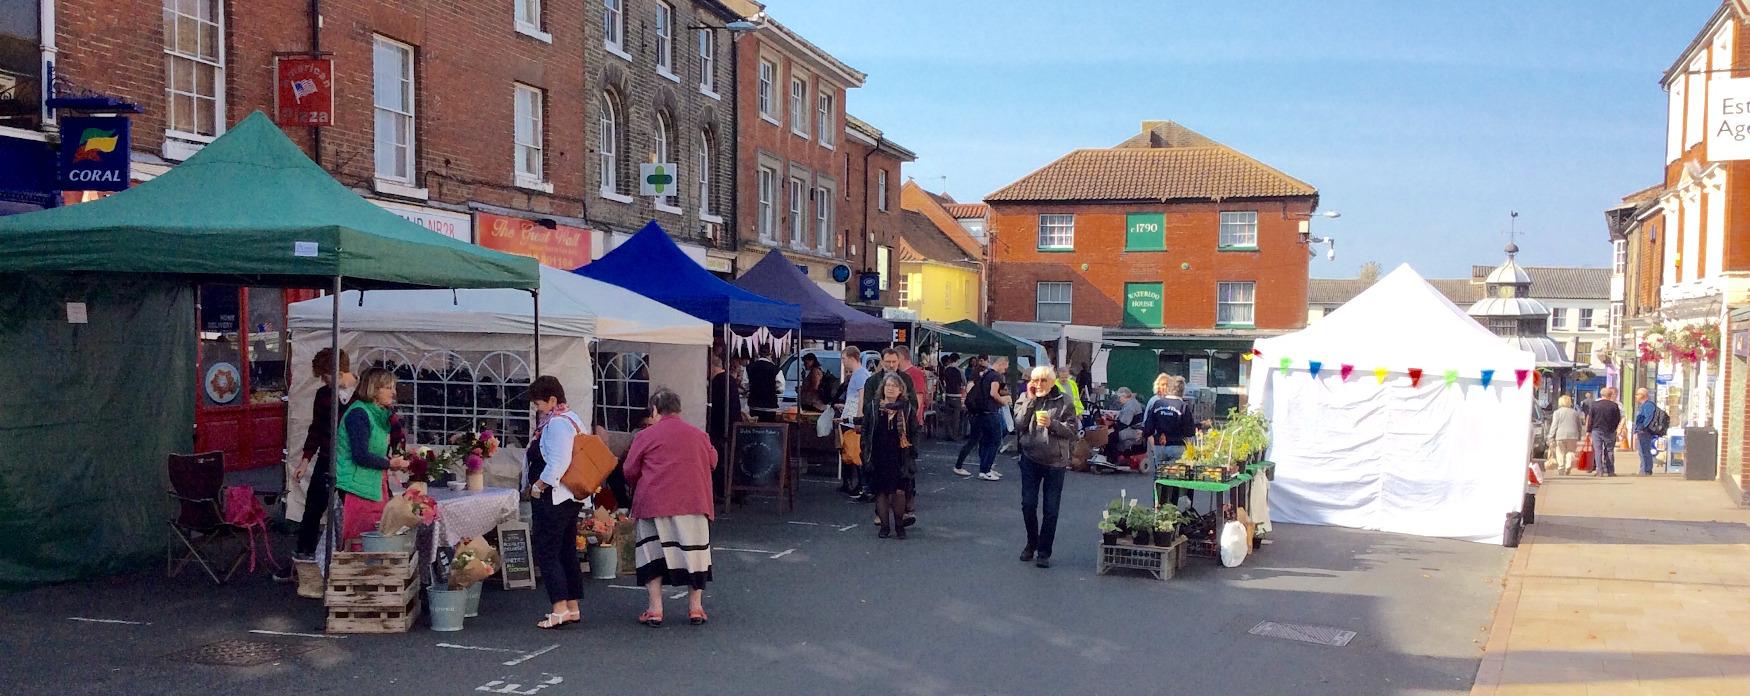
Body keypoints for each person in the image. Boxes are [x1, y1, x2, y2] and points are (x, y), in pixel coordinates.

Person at [624, 389, 719, 627]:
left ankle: (655, 609)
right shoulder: (699, 435)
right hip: (694, 502)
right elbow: (713, 461)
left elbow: (629, 470)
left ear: (656, 410)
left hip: (654, 502)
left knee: (652, 555)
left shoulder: (646, 436)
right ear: (678, 409)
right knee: (694, 555)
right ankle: (695, 608)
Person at [275, 348, 356, 591]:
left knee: (350, 512)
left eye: (325, 376)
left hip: (352, 463)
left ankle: (347, 561)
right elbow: (316, 430)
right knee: (312, 510)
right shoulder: (323, 395)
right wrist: (305, 460)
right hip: (326, 459)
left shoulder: (361, 395)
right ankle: (304, 560)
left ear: (338, 371)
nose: (323, 381)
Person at [524, 376, 584, 630]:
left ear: (551, 400)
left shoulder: (557, 424)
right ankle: (571, 606)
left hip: (554, 496)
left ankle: (559, 607)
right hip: (569, 496)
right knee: (566, 550)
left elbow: (558, 461)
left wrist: (538, 485)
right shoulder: (572, 418)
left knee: (548, 550)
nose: (537, 408)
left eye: (538, 403)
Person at [334, 367, 409, 548]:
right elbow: (361, 455)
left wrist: (399, 453)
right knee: (362, 540)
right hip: (356, 486)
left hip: (374, 484)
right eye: (388, 387)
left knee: (376, 539)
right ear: (373, 389)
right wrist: (390, 463)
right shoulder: (358, 414)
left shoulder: (381, 415)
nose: (394, 392)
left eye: (394, 387)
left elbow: (393, 440)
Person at [1013, 365, 1078, 568]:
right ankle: (1031, 543)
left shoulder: (1064, 401)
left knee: (1051, 510)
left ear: (1052, 382)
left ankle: (1044, 551)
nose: (1039, 384)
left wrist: (1053, 424)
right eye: (1035, 380)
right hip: (1030, 458)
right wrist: (1031, 401)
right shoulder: (1025, 397)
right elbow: (1019, 424)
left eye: (1043, 381)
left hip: (1055, 461)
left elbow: (1073, 430)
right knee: (1028, 504)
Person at [864, 374, 918, 539]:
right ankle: (885, 527)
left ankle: (899, 526)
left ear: (901, 389)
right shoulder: (873, 407)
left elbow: (914, 433)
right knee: (881, 492)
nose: (890, 388)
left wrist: (912, 454)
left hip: (900, 455)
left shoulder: (907, 409)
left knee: (899, 492)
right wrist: (865, 452)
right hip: (878, 455)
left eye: (894, 386)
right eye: (887, 385)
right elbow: (866, 431)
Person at [961, 355, 1012, 480]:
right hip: (991, 411)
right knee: (995, 440)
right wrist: (1003, 400)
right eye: (1005, 367)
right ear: (1000, 363)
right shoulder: (996, 376)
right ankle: (986, 469)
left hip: (980, 411)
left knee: (985, 440)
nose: (1005, 370)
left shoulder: (985, 374)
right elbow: (993, 393)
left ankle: (984, 469)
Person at [1141, 374, 1196, 485]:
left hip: (1159, 446)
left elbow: (1148, 429)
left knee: (1160, 477)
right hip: (1177, 445)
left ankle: (1158, 500)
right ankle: (1172, 501)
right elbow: (1189, 432)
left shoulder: (1157, 404)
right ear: (1182, 391)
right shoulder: (1183, 406)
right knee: (1175, 478)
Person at [706, 354, 742, 501]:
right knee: (729, 460)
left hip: (721, 428)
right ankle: (733, 492)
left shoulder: (719, 382)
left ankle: (722, 491)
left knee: (721, 461)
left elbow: (716, 408)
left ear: (711, 367)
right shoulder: (729, 381)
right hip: (731, 425)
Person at [838, 345, 872, 497]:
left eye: (844, 358)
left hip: (853, 421)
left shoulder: (860, 375)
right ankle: (853, 484)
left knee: (854, 453)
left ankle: (860, 485)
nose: (843, 362)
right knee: (849, 451)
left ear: (851, 358)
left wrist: (858, 418)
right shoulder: (858, 374)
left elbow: (862, 397)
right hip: (849, 417)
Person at [953, 356, 988, 472]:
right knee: (976, 440)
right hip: (978, 414)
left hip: (974, 413)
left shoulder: (972, 383)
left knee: (977, 440)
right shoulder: (979, 386)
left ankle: (985, 465)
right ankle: (959, 465)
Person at [1584, 387, 1625, 477]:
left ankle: (1599, 471)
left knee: (1598, 451)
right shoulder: (1614, 406)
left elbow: (1590, 419)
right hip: (1610, 431)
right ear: (1610, 395)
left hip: (1596, 430)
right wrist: (1614, 428)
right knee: (1609, 450)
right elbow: (1617, 419)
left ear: (1601, 394)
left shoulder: (1594, 405)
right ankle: (1610, 471)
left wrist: (1588, 431)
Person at [1545, 395, 1584, 476]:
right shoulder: (1575, 413)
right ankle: (1568, 464)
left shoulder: (1557, 412)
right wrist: (1579, 435)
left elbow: (1554, 425)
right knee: (1571, 451)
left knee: (1560, 452)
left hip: (1560, 436)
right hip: (1573, 436)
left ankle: (1561, 467)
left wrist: (1551, 436)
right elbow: (1579, 426)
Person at [1105, 387, 1145, 464]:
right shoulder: (1131, 403)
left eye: (1119, 397)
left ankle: (1114, 458)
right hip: (1133, 428)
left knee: (1112, 436)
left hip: (1133, 430)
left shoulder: (1130, 407)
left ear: (1124, 396)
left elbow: (1124, 423)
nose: (1119, 399)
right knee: (1112, 434)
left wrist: (1112, 429)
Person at [1630, 387, 1662, 476]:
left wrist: (1643, 427)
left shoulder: (1648, 405)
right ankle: (1644, 469)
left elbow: (1649, 417)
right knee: (1642, 450)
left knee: (1644, 450)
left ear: (1643, 395)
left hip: (1645, 431)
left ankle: (1646, 470)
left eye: (1637, 394)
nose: (1636, 396)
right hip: (1642, 430)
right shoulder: (1644, 405)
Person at [938, 354, 966, 440]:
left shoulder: (946, 370)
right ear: (957, 360)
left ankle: (948, 434)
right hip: (957, 396)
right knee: (956, 417)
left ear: (950, 360)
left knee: (948, 416)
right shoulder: (960, 371)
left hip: (948, 395)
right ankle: (955, 435)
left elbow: (943, 381)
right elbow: (964, 382)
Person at [745, 356, 781, 421]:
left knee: (754, 427)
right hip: (770, 406)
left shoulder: (749, 367)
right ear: (770, 355)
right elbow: (780, 388)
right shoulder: (775, 369)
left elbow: (745, 385)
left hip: (754, 405)